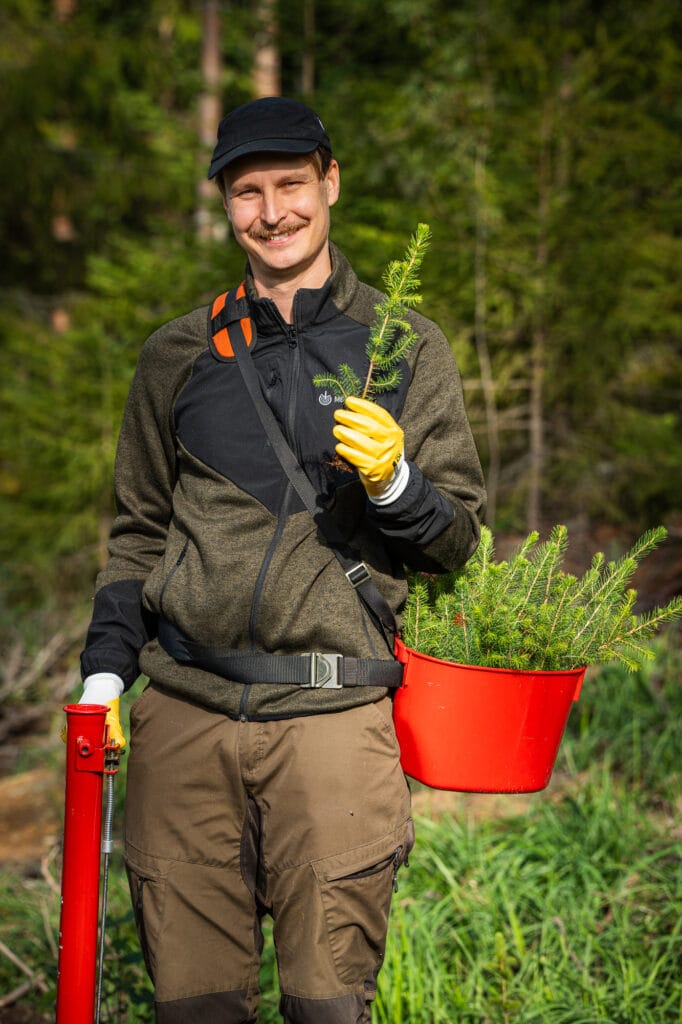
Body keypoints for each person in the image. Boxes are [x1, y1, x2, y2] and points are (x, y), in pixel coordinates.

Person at [78, 96, 486, 1023]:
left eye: (291, 185)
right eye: (247, 192)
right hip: (181, 713)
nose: (273, 212)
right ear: (227, 204)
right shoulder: (175, 354)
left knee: (327, 1008)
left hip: (334, 719)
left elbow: (457, 540)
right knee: (194, 1009)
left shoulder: (407, 349)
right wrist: (104, 680)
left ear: (330, 182)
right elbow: (138, 531)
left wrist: (396, 485)